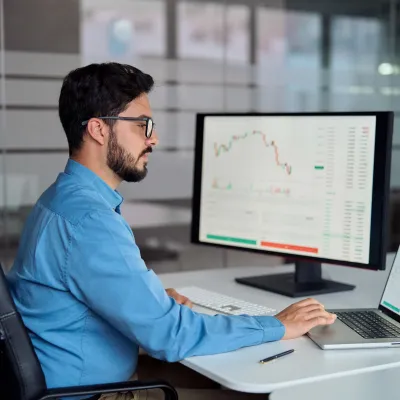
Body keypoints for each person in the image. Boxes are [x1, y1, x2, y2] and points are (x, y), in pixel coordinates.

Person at [7, 63, 336, 400]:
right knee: (257, 394)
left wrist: (152, 305)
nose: (154, 138)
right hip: (96, 395)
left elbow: (84, 296)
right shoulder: (89, 220)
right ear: (98, 130)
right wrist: (279, 325)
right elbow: (168, 336)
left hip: (81, 379)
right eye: (142, 125)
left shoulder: (59, 200)